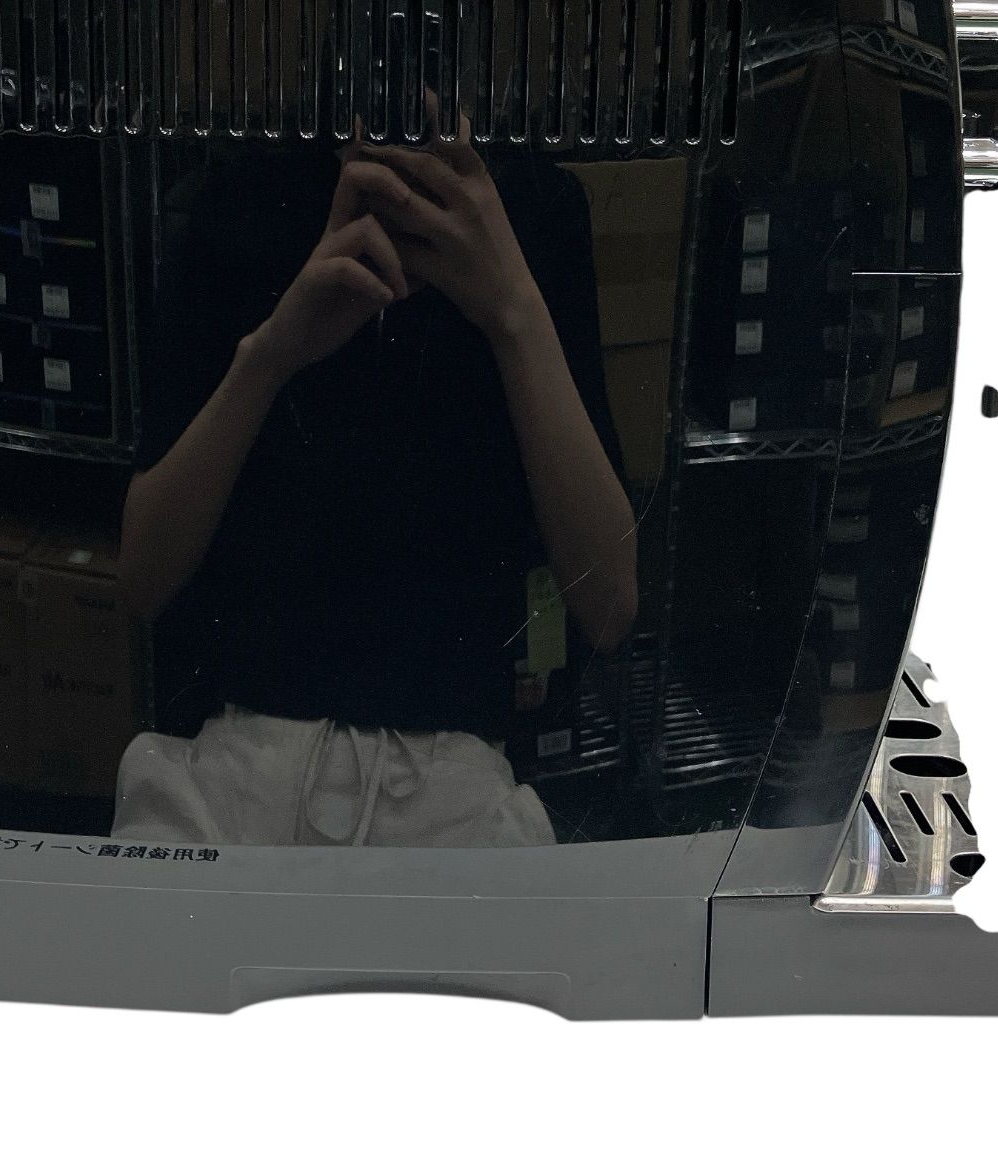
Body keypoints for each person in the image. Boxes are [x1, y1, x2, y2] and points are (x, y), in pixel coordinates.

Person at [113, 104, 637, 847]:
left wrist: (511, 308)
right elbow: (144, 577)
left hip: (451, 776)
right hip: (243, 759)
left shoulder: (530, 213)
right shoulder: (241, 201)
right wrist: (273, 353)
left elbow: (610, 604)